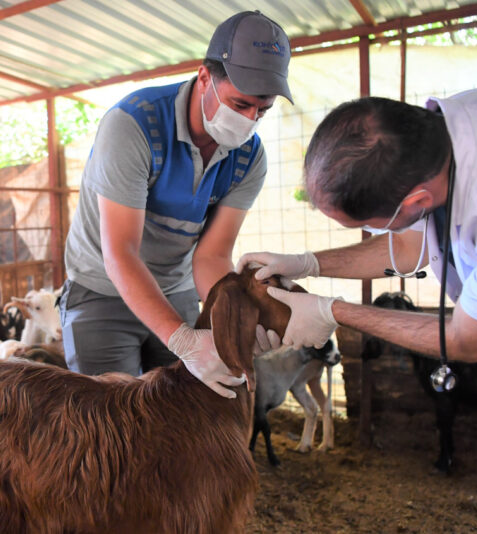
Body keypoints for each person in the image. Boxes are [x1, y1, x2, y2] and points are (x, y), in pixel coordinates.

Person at [237, 87, 477, 528]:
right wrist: (310, 263)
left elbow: (466, 339)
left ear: (414, 202)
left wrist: (332, 312)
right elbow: (416, 238)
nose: (369, 232)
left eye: (365, 226)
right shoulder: (442, 136)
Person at [60, 11, 293, 398]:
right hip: (101, 287)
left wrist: (240, 318)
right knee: (106, 417)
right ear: (205, 78)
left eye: (262, 111)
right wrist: (183, 340)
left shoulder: (249, 158)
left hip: (176, 286)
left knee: (184, 411)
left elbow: (212, 256)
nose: (250, 120)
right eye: (240, 104)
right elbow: (120, 252)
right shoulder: (133, 124)